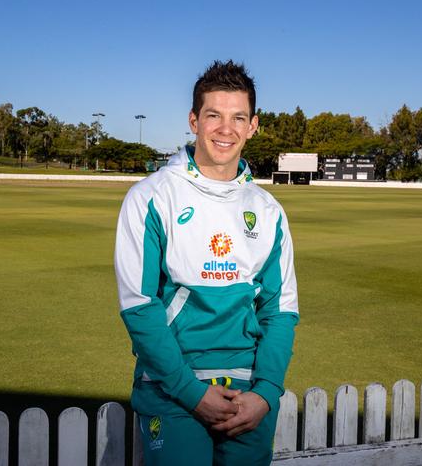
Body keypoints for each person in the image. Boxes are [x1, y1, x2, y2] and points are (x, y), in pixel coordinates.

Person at [114, 60, 299, 465]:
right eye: (213, 115)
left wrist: (266, 393)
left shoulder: (268, 210)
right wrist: (191, 393)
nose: (225, 128)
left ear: (252, 126)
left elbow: (280, 312)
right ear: (194, 120)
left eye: (238, 117)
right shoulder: (151, 197)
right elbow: (139, 307)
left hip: (247, 397)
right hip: (174, 391)